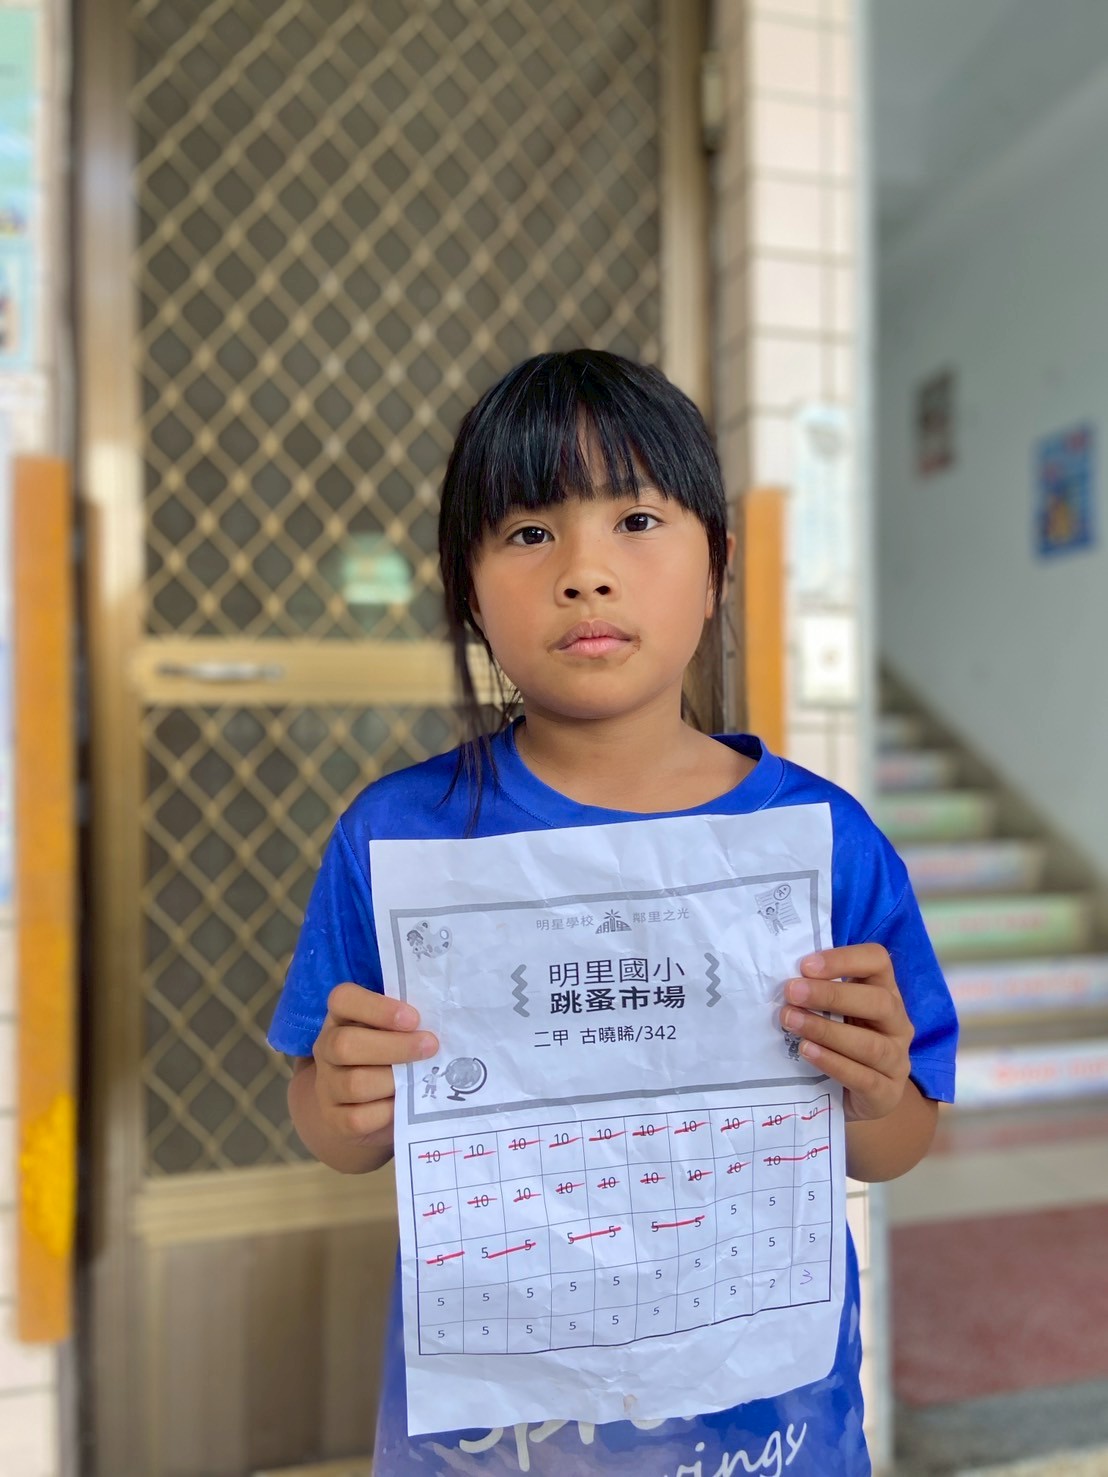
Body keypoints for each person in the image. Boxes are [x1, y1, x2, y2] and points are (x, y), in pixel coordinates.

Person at [267, 349, 957, 1475]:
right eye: (529, 532)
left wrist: (876, 1088)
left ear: (716, 567)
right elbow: (328, 1118)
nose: (585, 572)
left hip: (766, 1438)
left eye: (637, 520)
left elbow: (898, 1141)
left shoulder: (822, 841)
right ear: (467, 592)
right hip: (498, 1441)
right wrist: (343, 1104)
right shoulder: (398, 839)